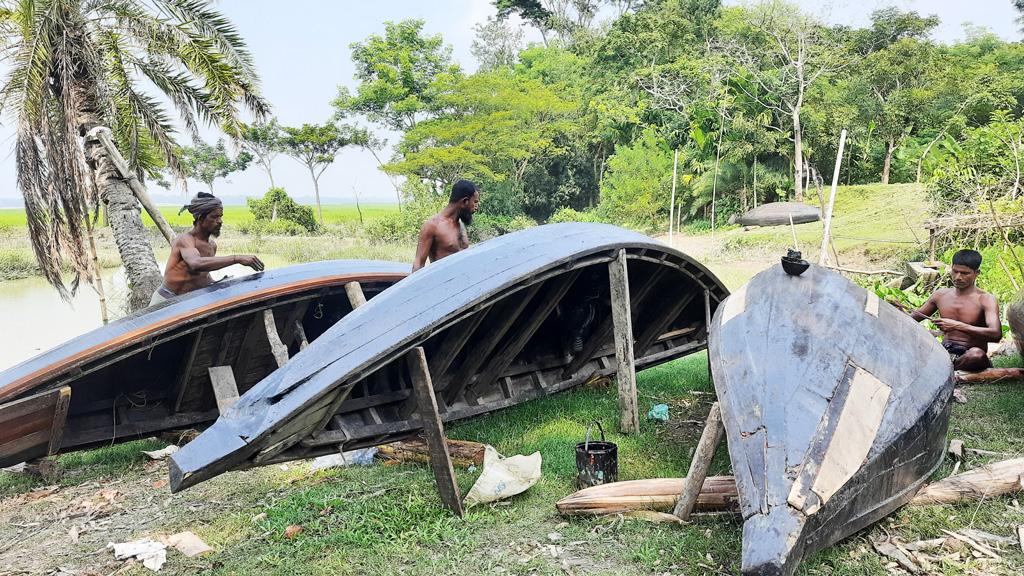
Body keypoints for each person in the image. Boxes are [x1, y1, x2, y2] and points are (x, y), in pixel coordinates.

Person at [150, 192, 264, 305]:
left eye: (220, 216)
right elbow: (196, 263)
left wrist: (224, 284)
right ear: (200, 218)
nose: (220, 221)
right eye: (214, 217)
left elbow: (201, 276)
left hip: (185, 303)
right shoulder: (185, 240)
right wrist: (236, 258)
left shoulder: (212, 246)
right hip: (165, 301)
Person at [907, 249, 1000, 371]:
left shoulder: (986, 299)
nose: (958, 277)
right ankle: (945, 367)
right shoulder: (940, 295)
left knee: (976, 355)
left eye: (965, 273)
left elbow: (996, 334)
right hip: (944, 350)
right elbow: (913, 318)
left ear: (977, 273)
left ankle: (942, 370)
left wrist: (957, 326)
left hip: (970, 354)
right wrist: (897, 311)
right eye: (955, 271)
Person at [411, 179, 480, 272]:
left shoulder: (460, 224)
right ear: (465, 201)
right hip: (442, 283)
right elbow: (418, 264)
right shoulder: (432, 226)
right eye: (475, 202)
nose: (477, 207)